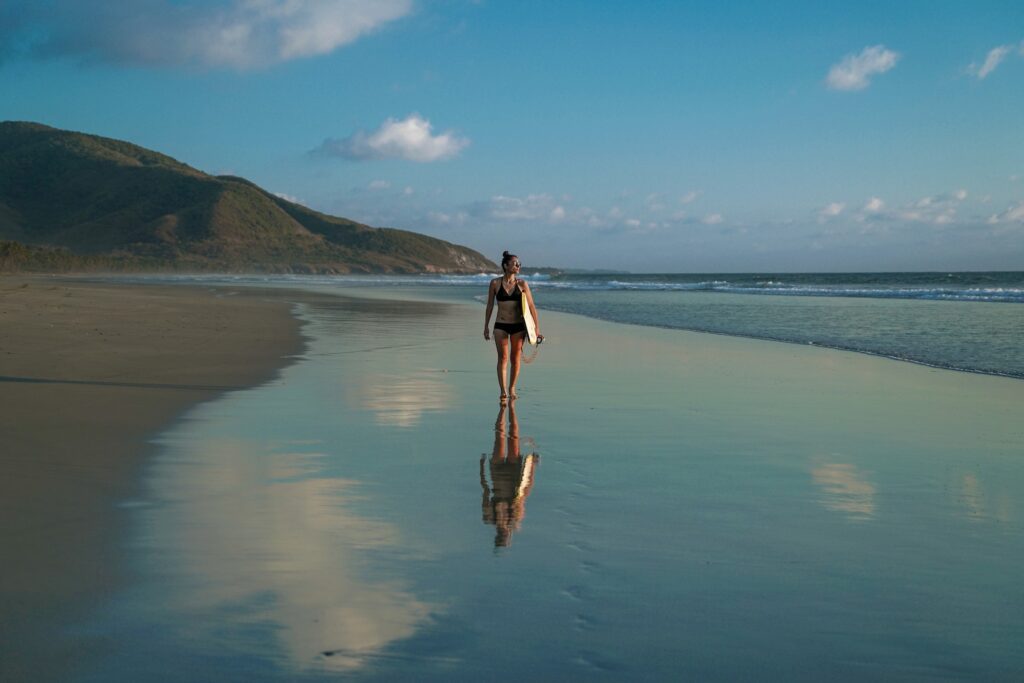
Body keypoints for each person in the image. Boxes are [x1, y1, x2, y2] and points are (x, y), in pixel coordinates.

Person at [483, 251, 543, 403]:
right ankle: (503, 391)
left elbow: (531, 306)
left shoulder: (522, 284)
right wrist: (486, 326)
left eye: (519, 264)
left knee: (515, 358)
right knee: (502, 358)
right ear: (505, 265)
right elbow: (490, 305)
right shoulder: (495, 284)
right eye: (515, 263)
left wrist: (536, 329)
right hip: (500, 325)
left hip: (518, 326)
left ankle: (512, 388)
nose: (518, 266)